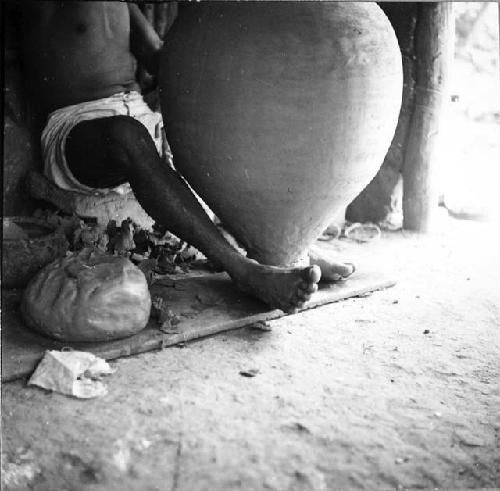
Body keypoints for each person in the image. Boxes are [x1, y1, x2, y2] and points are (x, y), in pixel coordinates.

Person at [20, 1, 354, 313]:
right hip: (80, 127)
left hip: (139, 115)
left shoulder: (123, 4)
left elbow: (162, 61)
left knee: (226, 120)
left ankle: (281, 248)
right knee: (126, 135)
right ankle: (243, 271)